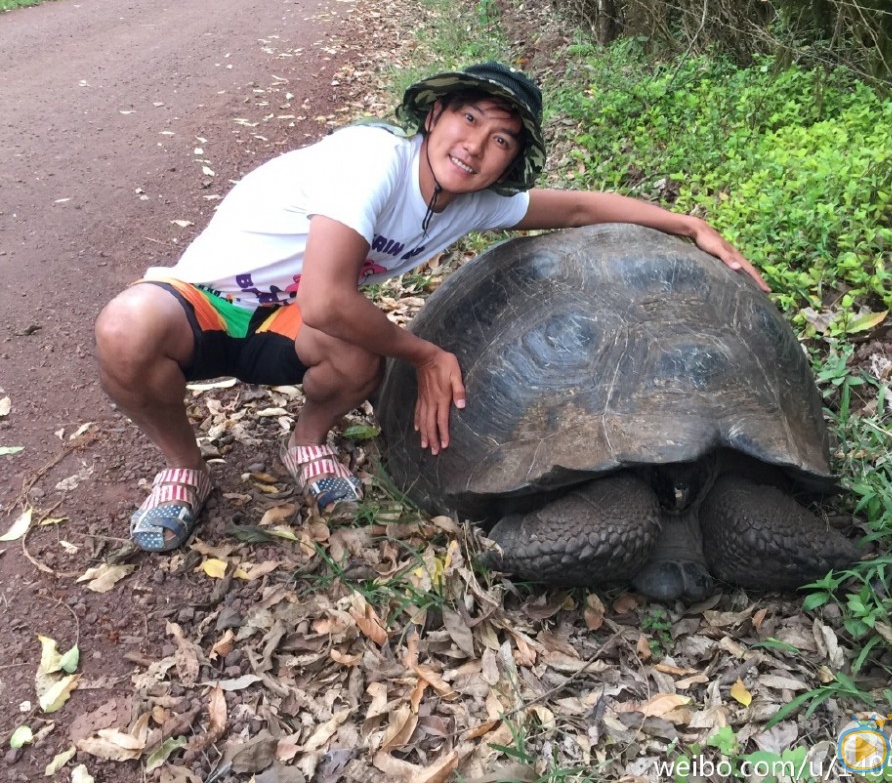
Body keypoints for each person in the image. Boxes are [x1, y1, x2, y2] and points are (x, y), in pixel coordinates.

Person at [95, 61, 769, 552]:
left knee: (363, 353)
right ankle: (184, 468)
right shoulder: (371, 161)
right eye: (468, 118)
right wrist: (427, 352)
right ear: (433, 118)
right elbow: (330, 296)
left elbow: (583, 206)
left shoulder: (472, 202)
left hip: (288, 320)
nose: (475, 145)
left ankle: (308, 442)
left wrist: (686, 223)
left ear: (508, 162)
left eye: (501, 138)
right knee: (126, 328)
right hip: (208, 302)